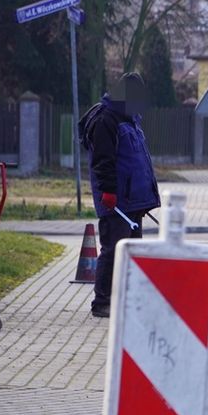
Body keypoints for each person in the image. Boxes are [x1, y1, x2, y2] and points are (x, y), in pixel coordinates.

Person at [78, 72, 161, 318]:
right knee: (113, 249)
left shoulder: (130, 119)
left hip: (133, 201)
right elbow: (103, 161)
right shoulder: (106, 121)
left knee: (133, 251)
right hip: (115, 202)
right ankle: (102, 302)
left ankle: (128, 300)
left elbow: (136, 160)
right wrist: (109, 192)